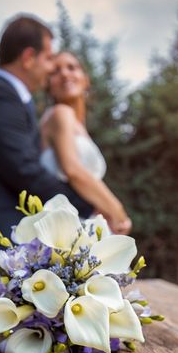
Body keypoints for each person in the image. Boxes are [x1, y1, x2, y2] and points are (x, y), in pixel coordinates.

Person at [0, 15, 93, 281]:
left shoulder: (13, 100)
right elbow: (25, 171)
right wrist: (86, 208)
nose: (52, 69)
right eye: (49, 58)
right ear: (28, 57)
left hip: (14, 248)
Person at [40, 51, 132, 234]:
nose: (65, 74)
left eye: (72, 67)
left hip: (87, 220)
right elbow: (73, 170)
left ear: (85, 79)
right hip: (69, 227)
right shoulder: (60, 113)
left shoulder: (77, 124)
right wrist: (118, 212)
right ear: (48, 85)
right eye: (56, 71)